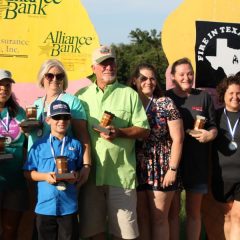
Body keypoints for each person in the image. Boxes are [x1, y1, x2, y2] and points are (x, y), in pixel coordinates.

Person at [75, 45, 150, 240]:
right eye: (103, 64)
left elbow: (144, 130)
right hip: (90, 175)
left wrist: (120, 132)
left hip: (121, 176)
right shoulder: (81, 96)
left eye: (111, 63)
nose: (108, 67)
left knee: (125, 235)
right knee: (94, 233)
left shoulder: (130, 94)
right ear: (93, 68)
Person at [128, 63, 184, 240]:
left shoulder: (165, 103)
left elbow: (178, 138)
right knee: (142, 218)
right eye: (143, 78)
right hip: (136, 166)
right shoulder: (131, 103)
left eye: (152, 78)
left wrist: (172, 169)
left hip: (161, 167)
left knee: (159, 218)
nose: (148, 82)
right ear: (135, 81)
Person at [166, 58, 217, 240]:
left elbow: (213, 125)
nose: (187, 77)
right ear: (173, 77)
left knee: (194, 212)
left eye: (190, 74)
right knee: (172, 213)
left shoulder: (203, 96)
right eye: (182, 74)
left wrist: (210, 135)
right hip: (173, 164)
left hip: (198, 163)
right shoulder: (166, 98)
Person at [23, 100, 82, 240]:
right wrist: (45, 177)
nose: (61, 121)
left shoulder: (76, 145)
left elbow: (80, 170)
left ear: (70, 120)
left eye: (66, 117)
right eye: (57, 117)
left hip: (69, 207)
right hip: (45, 208)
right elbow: (27, 172)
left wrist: (76, 175)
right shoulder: (38, 146)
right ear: (48, 120)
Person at [27, 59, 91, 185]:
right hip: (36, 166)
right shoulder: (36, 104)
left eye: (59, 76)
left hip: (63, 165)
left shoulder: (72, 101)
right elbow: (32, 135)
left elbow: (83, 135)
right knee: (37, 203)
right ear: (42, 78)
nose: (55, 79)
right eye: (50, 75)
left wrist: (86, 165)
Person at [0, 69, 28, 240]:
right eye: (0, 85)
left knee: (10, 231)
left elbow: (28, 144)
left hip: (15, 181)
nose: (4, 89)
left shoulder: (20, 113)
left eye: (7, 85)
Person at [212, 75, 240, 240]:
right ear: (223, 94)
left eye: (238, 93)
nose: (235, 97)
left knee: (237, 217)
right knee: (227, 217)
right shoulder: (214, 116)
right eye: (231, 93)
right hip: (221, 177)